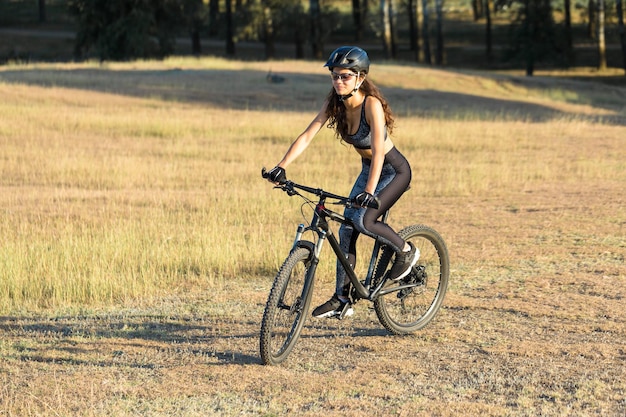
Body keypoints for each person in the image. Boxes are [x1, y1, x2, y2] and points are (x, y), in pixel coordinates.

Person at [264, 46, 419, 319]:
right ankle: (342, 298)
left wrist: (369, 192)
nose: (338, 81)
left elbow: (380, 152)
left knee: (365, 221)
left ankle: (406, 251)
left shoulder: (371, 104)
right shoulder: (334, 103)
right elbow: (307, 135)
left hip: (393, 171)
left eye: (345, 76)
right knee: (347, 229)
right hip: (369, 168)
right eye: (335, 76)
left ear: (360, 78)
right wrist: (281, 167)